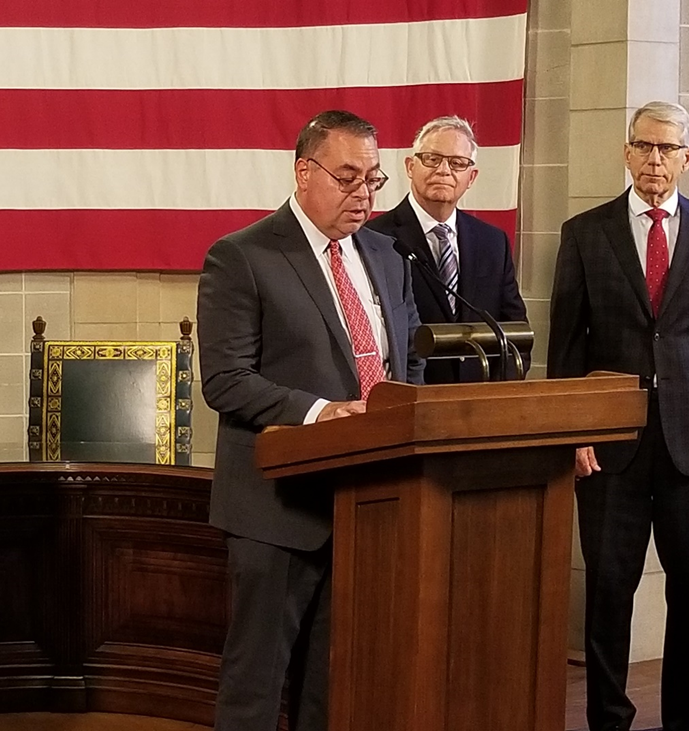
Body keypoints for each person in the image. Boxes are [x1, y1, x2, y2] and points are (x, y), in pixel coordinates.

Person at [197, 110, 424, 731]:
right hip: (278, 510)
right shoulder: (242, 255)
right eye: (348, 176)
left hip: (369, 506)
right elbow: (225, 380)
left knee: (335, 686)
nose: (363, 194)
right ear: (304, 171)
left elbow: (402, 370)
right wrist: (324, 413)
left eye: (374, 180)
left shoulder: (385, 255)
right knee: (257, 686)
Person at [548, 100, 689, 731]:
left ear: (688, 157)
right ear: (626, 151)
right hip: (610, 446)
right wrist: (575, 432)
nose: (654, 159)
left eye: (667, 148)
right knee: (609, 592)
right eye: (644, 146)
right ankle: (609, 718)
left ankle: (685, 720)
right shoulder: (587, 232)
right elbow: (567, 347)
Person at [367, 115, 528, 382]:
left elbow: (515, 332)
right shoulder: (375, 238)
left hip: (480, 400)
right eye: (432, 159)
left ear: (471, 176)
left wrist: (500, 394)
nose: (444, 170)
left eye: (457, 163)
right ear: (410, 166)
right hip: (409, 397)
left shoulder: (492, 242)